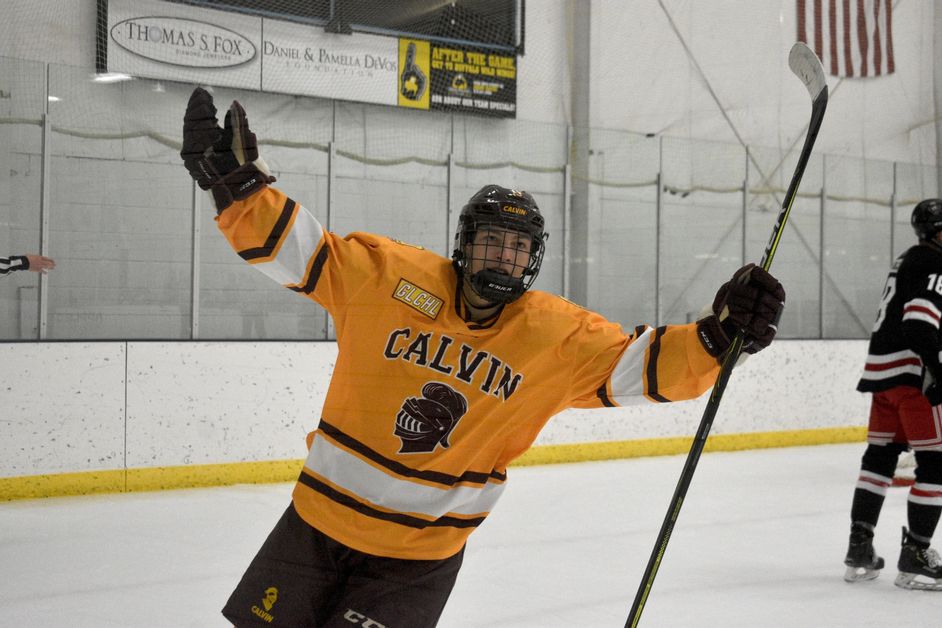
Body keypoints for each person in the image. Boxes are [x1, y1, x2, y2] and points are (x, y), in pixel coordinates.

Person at [180, 87, 786, 627]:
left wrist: (716, 336)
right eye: (491, 241)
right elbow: (300, 251)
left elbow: (647, 367)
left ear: (535, 259)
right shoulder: (389, 277)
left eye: (518, 248)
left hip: (418, 559)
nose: (503, 257)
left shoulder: (557, 337)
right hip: (314, 526)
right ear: (464, 244)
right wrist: (239, 190)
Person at [846, 198, 942, 590]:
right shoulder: (936, 263)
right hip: (912, 378)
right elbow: (920, 322)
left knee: (879, 459)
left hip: (881, 374)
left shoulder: (907, 258)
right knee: (936, 465)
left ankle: (860, 548)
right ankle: (917, 555)